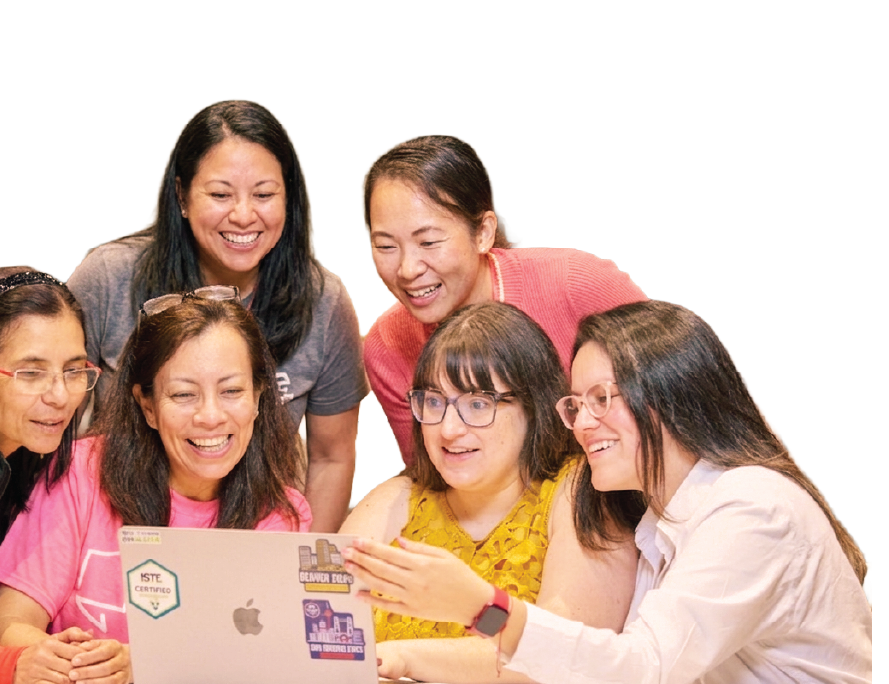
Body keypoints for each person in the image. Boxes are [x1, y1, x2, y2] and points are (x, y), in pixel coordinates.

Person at [344, 299, 872, 683]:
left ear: (668, 398)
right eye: (576, 404)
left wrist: (480, 607)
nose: (581, 423)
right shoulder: (658, 518)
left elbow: (640, 669)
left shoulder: (750, 507)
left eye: (601, 399)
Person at [67, 98, 367, 532]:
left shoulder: (324, 301)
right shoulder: (109, 278)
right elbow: (55, 420)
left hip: (252, 537)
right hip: (115, 529)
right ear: (182, 196)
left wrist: (298, 564)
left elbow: (332, 457)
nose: (243, 215)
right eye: (220, 194)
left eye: (264, 195)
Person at [0, 295, 313, 684]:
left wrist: (145, 664)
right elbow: (12, 618)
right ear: (147, 406)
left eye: (232, 391)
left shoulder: (281, 516)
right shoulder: (81, 470)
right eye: (183, 394)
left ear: (258, 397)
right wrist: (50, 656)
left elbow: (261, 659)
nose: (210, 416)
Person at [340, 302, 638, 683]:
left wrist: (404, 656)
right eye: (433, 402)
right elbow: (311, 623)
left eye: (478, 404)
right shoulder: (397, 498)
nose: (448, 429)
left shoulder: (575, 489)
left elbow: (563, 654)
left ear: (533, 406)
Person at [360, 133, 647, 464]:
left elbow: (677, 396)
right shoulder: (386, 348)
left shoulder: (577, 284)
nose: (408, 269)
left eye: (429, 242)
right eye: (386, 246)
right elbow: (433, 475)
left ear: (483, 232)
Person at [0, 266, 102, 684]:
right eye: (31, 373)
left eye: (74, 371)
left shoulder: (36, 459)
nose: (60, 395)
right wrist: (13, 664)